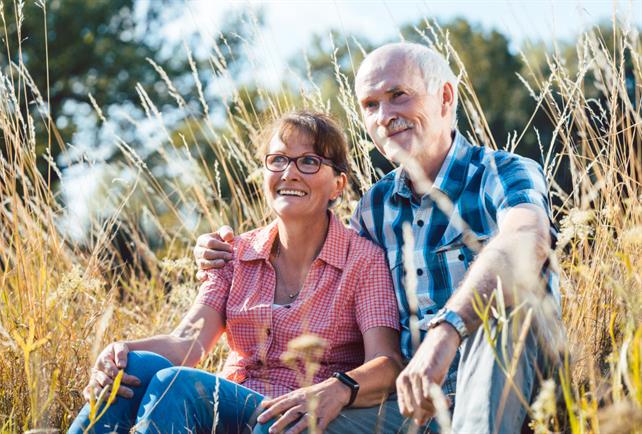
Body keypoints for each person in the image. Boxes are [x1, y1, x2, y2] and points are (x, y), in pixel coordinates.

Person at [194, 42, 561, 433]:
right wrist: (228, 251)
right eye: (370, 105)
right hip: (405, 408)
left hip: (508, 392)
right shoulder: (375, 207)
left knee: (506, 311)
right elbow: (334, 278)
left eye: (398, 96)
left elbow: (527, 237)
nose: (385, 116)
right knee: (292, 427)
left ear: (445, 97)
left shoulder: (501, 173)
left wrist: (447, 330)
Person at [69, 111, 403, 434]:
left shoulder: (363, 262)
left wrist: (337, 388)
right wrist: (118, 352)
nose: (290, 173)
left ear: (337, 185)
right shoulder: (235, 254)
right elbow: (187, 343)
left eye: (309, 161)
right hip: (230, 405)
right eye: (278, 160)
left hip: (297, 415)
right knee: (137, 367)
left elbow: (386, 363)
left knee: (177, 384)